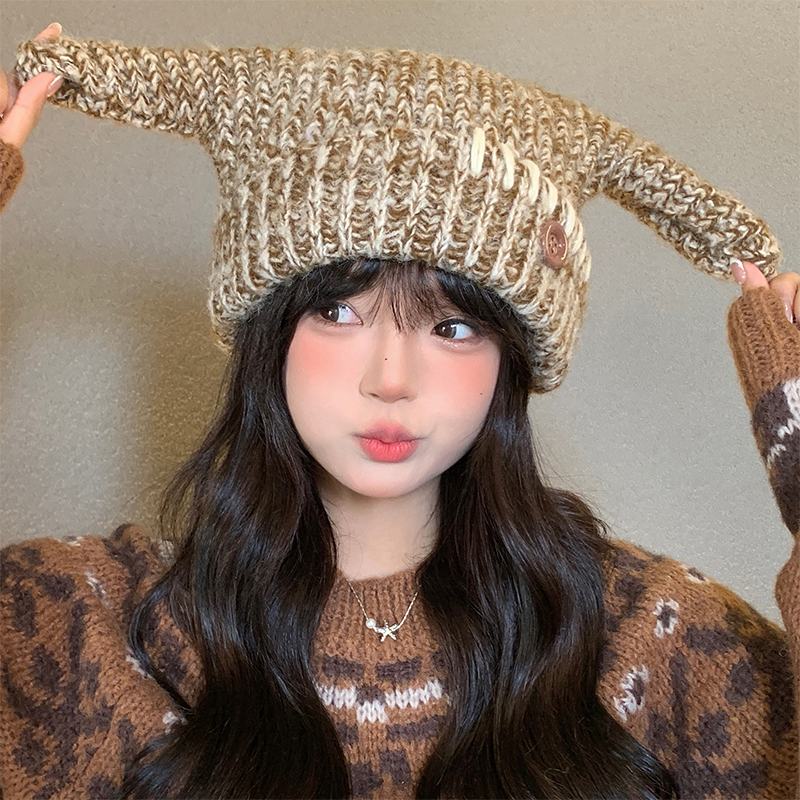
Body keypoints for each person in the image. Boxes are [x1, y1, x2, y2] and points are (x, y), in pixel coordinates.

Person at [0, 26, 798, 800]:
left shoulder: (655, 641)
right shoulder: (82, 629)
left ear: (510, 360)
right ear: (269, 332)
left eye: (452, 328)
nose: (392, 379)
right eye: (338, 312)